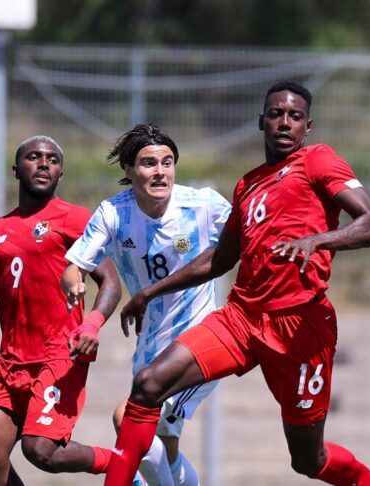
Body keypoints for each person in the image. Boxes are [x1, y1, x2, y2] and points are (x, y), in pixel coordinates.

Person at [107, 81, 370, 486]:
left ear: (308, 126)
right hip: (241, 319)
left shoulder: (318, 161)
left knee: (308, 459)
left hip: (300, 326)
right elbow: (220, 259)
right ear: (261, 121)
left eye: (295, 116)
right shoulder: (247, 185)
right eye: (276, 114)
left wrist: (316, 240)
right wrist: (149, 291)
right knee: (147, 384)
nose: (285, 122)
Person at [0, 135, 124, 485]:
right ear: (15, 170)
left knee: (41, 450)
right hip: (11, 361)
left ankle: (124, 464)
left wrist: (91, 326)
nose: (44, 163)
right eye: (34, 157)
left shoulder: (74, 219)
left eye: (52, 160)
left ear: (60, 175)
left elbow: (111, 283)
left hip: (59, 355)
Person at [61, 123, 232, 486]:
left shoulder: (202, 205)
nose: (160, 172)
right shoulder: (114, 213)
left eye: (167, 162)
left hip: (201, 341)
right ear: (129, 168)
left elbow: (252, 237)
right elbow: (75, 265)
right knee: (163, 452)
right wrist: (74, 281)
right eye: (149, 163)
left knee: (127, 419)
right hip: (151, 347)